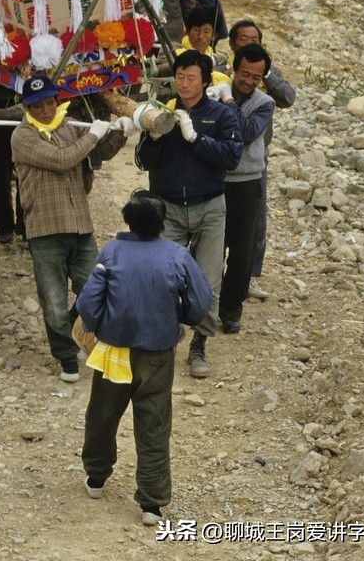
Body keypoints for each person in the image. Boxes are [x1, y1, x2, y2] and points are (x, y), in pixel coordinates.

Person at [77, 194, 212, 527]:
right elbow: (201, 300)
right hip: (157, 356)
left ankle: (96, 478)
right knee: (154, 425)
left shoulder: (111, 252)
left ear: (128, 221)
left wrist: (93, 327)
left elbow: (89, 303)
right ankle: (151, 503)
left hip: (114, 353)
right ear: (162, 222)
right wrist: (180, 316)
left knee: (102, 416)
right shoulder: (177, 256)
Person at [11, 73, 127, 383]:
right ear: (27, 106)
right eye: (37, 105)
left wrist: (120, 130)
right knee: (52, 300)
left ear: (56, 101)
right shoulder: (22, 136)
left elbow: (98, 153)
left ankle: (74, 327)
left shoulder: (67, 125)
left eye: (49, 102)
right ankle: (66, 357)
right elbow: (64, 160)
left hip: (80, 224)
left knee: (95, 288)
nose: (45, 110)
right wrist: (92, 136)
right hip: (45, 229)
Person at [135, 50, 242, 379]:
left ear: (206, 81)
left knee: (208, 282)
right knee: (163, 278)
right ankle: (162, 342)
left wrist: (197, 139)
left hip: (210, 206)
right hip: (167, 209)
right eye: (179, 77)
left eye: (191, 77)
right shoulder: (162, 112)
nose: (184, 83)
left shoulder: (222, 115)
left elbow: (231, 156)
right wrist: (154, 136)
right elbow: (143, 161)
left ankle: (199, 343)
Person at [227, 18, 296, 298]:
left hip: (256, 156)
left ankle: (249, 276)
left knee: (256, 221)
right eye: (244, 39)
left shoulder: (264, 74)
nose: (250, 43)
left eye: (255, 39)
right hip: (221, 158)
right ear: (232, 44)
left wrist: (263, 74)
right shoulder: (222, 71)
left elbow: (288, 97)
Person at [218, 42, 274, 333]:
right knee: (211, 247)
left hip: (247, 184)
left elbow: (246, 134)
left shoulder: (264, 103)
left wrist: (227, 103)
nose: (249, 81)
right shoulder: (214, 86)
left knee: (242, 252)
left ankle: (230, 311)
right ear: (234, 68)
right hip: (215, 181)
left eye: (256, 77)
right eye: (244, 74)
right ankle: (204, 303)